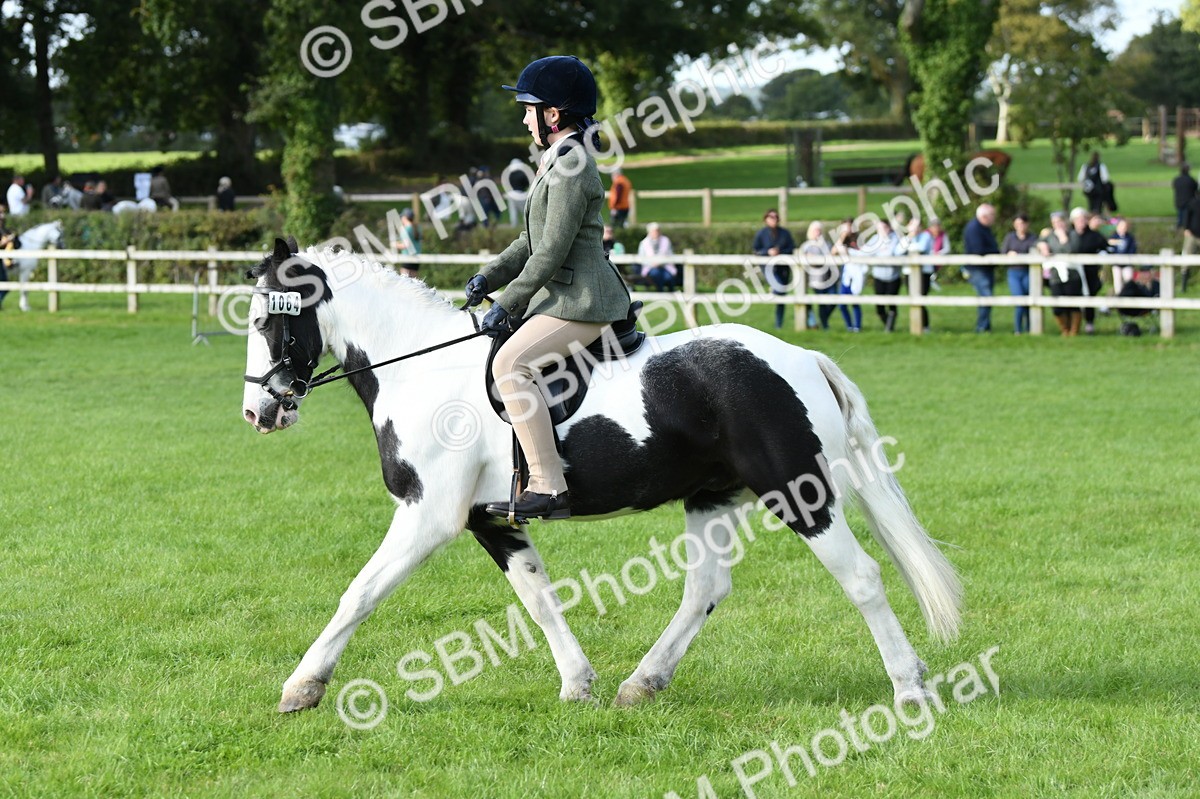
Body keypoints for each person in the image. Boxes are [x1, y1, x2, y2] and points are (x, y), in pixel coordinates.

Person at [462, 55, 630, 521]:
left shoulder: (573, 165)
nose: (522, 117)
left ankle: (549, 487)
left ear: (552, 114)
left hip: (584, 301)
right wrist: (488, 277)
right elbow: (528, 240)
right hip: (562, 295)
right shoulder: (556, 160)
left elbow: (551, 252)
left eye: (527, 107)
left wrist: (508, 300)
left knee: (510, 365)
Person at [751, 209, 796, 329]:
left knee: (781, 296)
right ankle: (773, 290)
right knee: (779, 288)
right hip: (768, 267)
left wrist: (779, 252)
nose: (773, 219)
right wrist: (767, 252)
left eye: (775, 217)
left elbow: (791, 248)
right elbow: (756, 250)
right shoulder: (761, 234)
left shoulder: (785, 233)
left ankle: (778, 324)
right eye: (771, 217)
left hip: (783, 269)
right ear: (766, 219)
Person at [1041, 211, 1083, 336]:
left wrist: (1063, 238)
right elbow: (1038, 241)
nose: (1057, 225)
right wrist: (1041, 245)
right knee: (1057, 305)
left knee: (1073, 303)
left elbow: (1072, 249)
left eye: (1060, 222)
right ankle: (1064, 329)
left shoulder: (1073, 234)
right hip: (1056, 275)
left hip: (1072, 274)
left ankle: (1074, 330)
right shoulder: (1049, 236)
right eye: (1055, 223)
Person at [1069, 207, 1109, 334]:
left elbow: (1106, 248)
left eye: (1083, 219)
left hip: (1090, 272)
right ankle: (1073, 325)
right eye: (1078, 219)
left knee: (1090, 295)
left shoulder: (1094, 236)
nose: (1081, 222)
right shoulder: (1069, 235)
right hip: (1073, 272)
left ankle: (1089, 323)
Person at [963, 203, 1000, 333]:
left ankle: (985, 326)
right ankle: (982, 327)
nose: (994, 218)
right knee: (986, 297)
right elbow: (978, 250)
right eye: (992, 215)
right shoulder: (974, 228)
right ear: (984, 216)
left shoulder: (984, 228)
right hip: (977, 269)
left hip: (985, 269)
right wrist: (996, 252)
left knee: (986, 298)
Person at [1001, 213, 1037, 334]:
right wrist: (1009, 254)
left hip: (1028, 272)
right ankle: (1018, 329)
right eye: (1017, 224)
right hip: (1014, 272)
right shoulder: (1010, 238)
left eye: (1022, 223)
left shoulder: (1032, 238)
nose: (1020, 226)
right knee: (1019, 300)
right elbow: (1003, 253)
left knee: (1028, 301)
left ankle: (1029, 328)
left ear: (1027, 224)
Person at [799, 220, 838, 329]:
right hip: (816, 279)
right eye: (816, 230)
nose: (818, 232)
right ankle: (825, 325)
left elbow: (831, 257)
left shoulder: (826, 244)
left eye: (819, 230)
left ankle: (823, 320)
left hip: (829, 278)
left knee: (833, 300)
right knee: (822, 302)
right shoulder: (807, 246)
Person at [865, 219, 902, 332]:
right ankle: (889, 326)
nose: (882, 230)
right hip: (879, 276)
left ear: (889, 228)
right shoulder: (874, 239)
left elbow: (894, 253)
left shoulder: (895, 238)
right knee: (879, 306)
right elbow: (867, 253)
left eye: (884, 228)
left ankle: (889, 328)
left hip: (893, 277)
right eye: (879, 228)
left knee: (891, 303)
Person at [832, 221, 866, 332]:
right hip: (846, 273)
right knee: (842, 304)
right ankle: (849, 326)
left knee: (854, 301)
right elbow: (833, 252)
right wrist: (842, 237)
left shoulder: (859, 240)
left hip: (856, 273)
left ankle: (857, 326)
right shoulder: (842, 240)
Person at [637, 222, 678, 291]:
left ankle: (671, 292)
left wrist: (661, 262)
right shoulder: (644, 243)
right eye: (654, 231)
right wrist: (652, 263)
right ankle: (660, 291)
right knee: (656, 273)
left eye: (657, 231)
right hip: (650, 267)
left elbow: (670, 255)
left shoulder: (666, 240)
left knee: (668, 276)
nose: (656, 233)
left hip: (665, 266)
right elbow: (641, 258)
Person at [1106, 217, 1137, 295]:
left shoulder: (1130, 238)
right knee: (1117, 282)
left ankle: (1128, 296)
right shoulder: (1113, 237)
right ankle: (1118, 298)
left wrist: (1128, 257)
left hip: (1127, 263)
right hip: (1116, 263)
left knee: (1128, 279)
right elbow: (1110, 249)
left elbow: (1133, 249)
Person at [390, 207, 422, 278]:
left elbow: (406, 245)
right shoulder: (417, 227)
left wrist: (395, 244)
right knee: (415, 281)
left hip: (408, 257)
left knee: (405, 281)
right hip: (417, 257)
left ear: (405, 217)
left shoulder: (406, 229)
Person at [505, 157, 530, 226]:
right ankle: (527, 226)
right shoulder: (522, 174)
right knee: (524, 212)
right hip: (520, 194)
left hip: (511, 194)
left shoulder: (509, 174)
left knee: (513, 212)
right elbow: (527, 184)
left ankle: (514, 226)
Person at [1172, 163, 1197, 230]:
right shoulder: (1191, 180)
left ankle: (1180, 226)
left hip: (1179, 201)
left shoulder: (1177, 180)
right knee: (1187, 216)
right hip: (1189, 201)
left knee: (1180, 215)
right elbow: (1195, 188)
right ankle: (1186, 227)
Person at [0, 206, 14, 310]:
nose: (3, 215)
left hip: (1, 260)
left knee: (5, 285)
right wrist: (3, 242)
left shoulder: (3, 228)